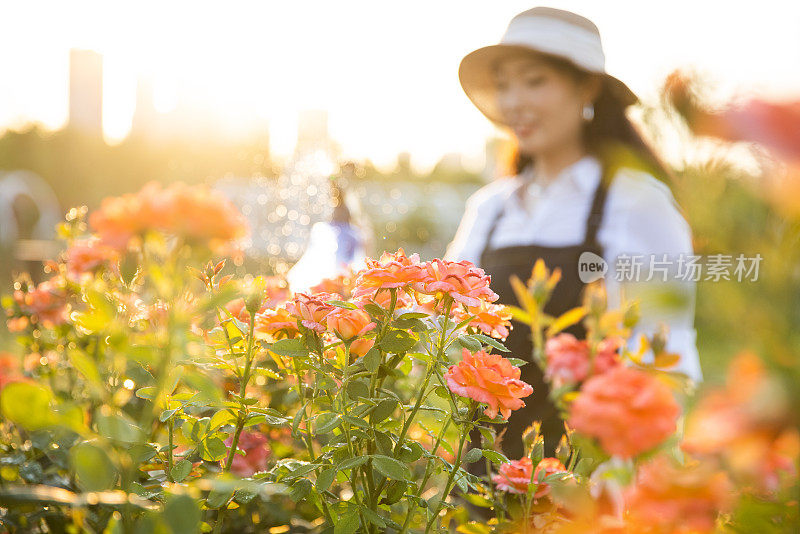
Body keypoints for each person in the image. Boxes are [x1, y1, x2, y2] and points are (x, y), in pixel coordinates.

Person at [445, 7, 703, 459]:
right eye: (504, 85)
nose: (514, 101)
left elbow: (665, 354)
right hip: (478, 475)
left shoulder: (636, 201)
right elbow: (445, 333)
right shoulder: (489, 207)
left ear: (586, 86)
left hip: (586, 476)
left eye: (534, 81)